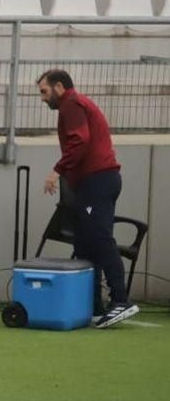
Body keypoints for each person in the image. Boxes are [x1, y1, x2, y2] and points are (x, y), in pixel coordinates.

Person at [37, 70, 138, 328]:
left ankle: (120, 300)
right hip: (95, 181)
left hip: (98, 181)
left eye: (44, 92)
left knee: (99, 238)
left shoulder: (71, 104)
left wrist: (56, 171)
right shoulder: (76, 104)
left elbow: (80, 141)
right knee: (84, 244)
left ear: (59, 87)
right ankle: (93, 305)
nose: (42, 99)